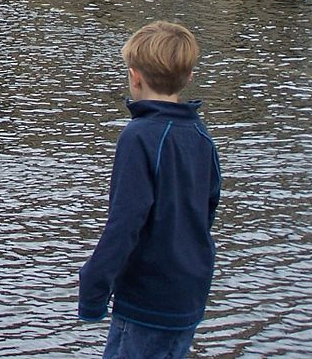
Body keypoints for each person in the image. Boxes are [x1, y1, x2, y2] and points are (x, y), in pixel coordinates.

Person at [78, 21, 220, 359]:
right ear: (187, 78)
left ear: (134, 76)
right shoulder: (202, 137)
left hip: (146, 299)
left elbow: (125, 223)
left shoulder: (138, 136)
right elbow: (207, 211)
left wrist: (94, 286)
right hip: (189, 295)